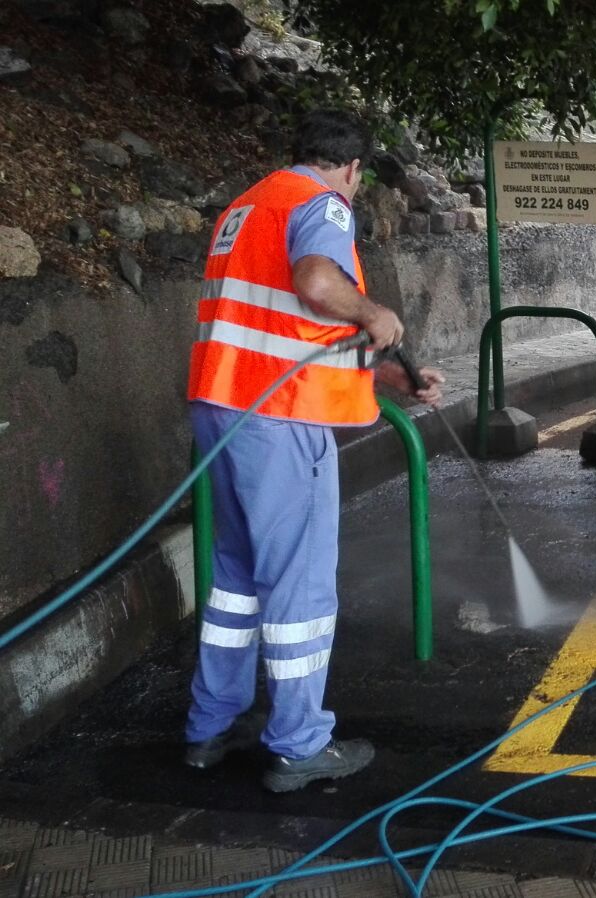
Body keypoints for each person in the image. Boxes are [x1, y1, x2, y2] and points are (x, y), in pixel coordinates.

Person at [183, 110, 444, 792]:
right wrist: (372, 312)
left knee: (237, 580)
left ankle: (211, 727)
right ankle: (298, 746)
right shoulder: (319, 203)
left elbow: (281, 328)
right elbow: (317, 285)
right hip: (279, 421)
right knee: (298, 584)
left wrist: (388, 375)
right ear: (353, 169)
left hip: (223, 409)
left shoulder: (247, 207)